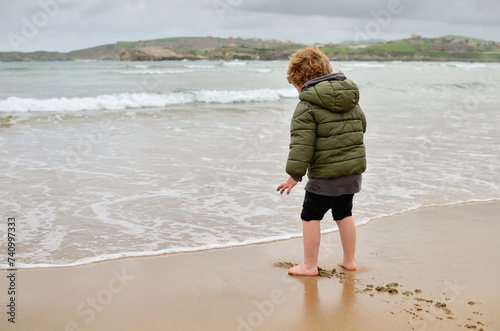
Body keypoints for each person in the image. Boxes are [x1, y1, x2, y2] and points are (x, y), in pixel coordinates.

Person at [277, 48, 367, 276]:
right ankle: (350, 260)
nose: (297, 90)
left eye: (295, 85)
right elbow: (361, 126)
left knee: (310, 215)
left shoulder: (306, 106)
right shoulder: (351, 99)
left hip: (325, 177)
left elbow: (302, 144)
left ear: (302, 81)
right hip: (352, 174)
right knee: (344, 214)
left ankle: (309, 265)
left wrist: (294, 175)